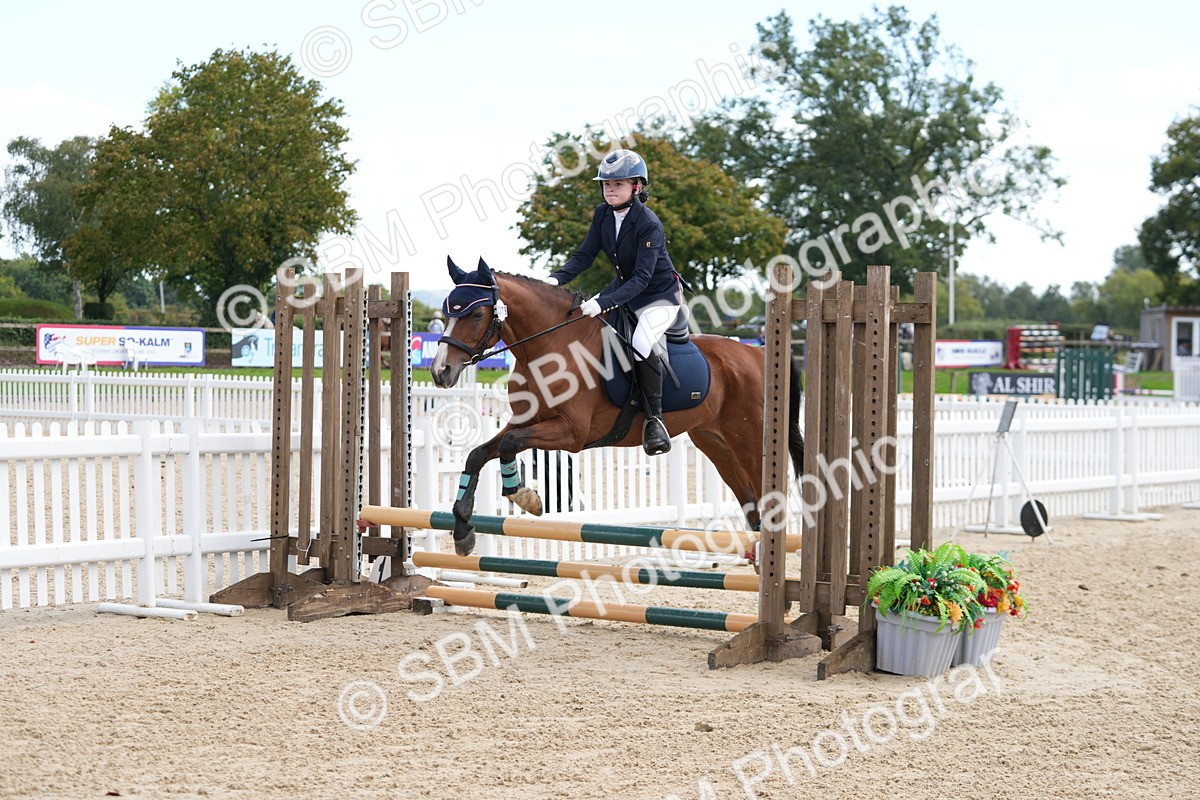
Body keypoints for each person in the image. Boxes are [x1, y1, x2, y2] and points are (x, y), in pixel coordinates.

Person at [542, 149, 687, 456]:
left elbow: (642, 279)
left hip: (659, 297)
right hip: (624, 290)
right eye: (606, 184)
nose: (610, 189)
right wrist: (555, 280)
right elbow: (584, 256)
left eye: (618, 184)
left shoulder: (648, 223)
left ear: (636, 187)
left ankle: (655, 420)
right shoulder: (603, 214)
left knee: (641, 342)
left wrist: (604, 301)